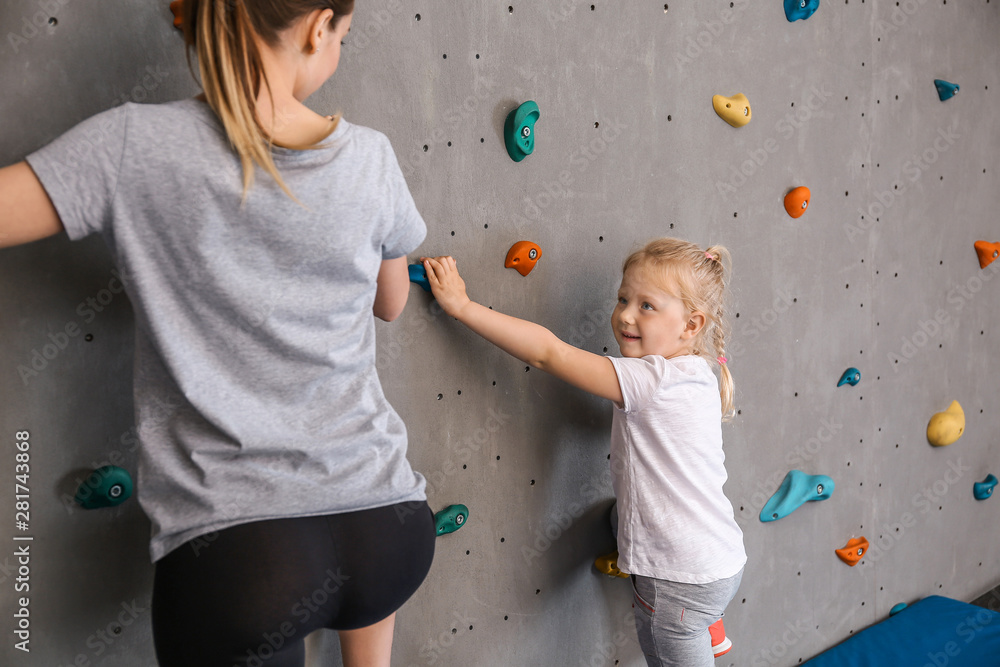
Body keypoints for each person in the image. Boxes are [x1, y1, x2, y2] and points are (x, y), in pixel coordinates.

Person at [1, 1, 436, 665]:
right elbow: (392, 302)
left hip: (242, 557)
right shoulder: (371, 156)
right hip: (386, 521)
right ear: (319, 25)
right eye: (343, 36)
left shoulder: (131, 145)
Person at [421, 238, 747, 667]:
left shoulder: (650, 378)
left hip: (674, 586)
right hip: (721, 559)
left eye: (647, 306)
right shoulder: (701, 371)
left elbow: (547, 353)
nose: (626, 314)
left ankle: (696, 630)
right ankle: (711, 626)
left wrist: (462, 306)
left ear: (690, 325)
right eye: (623, 298)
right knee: (619, 513)